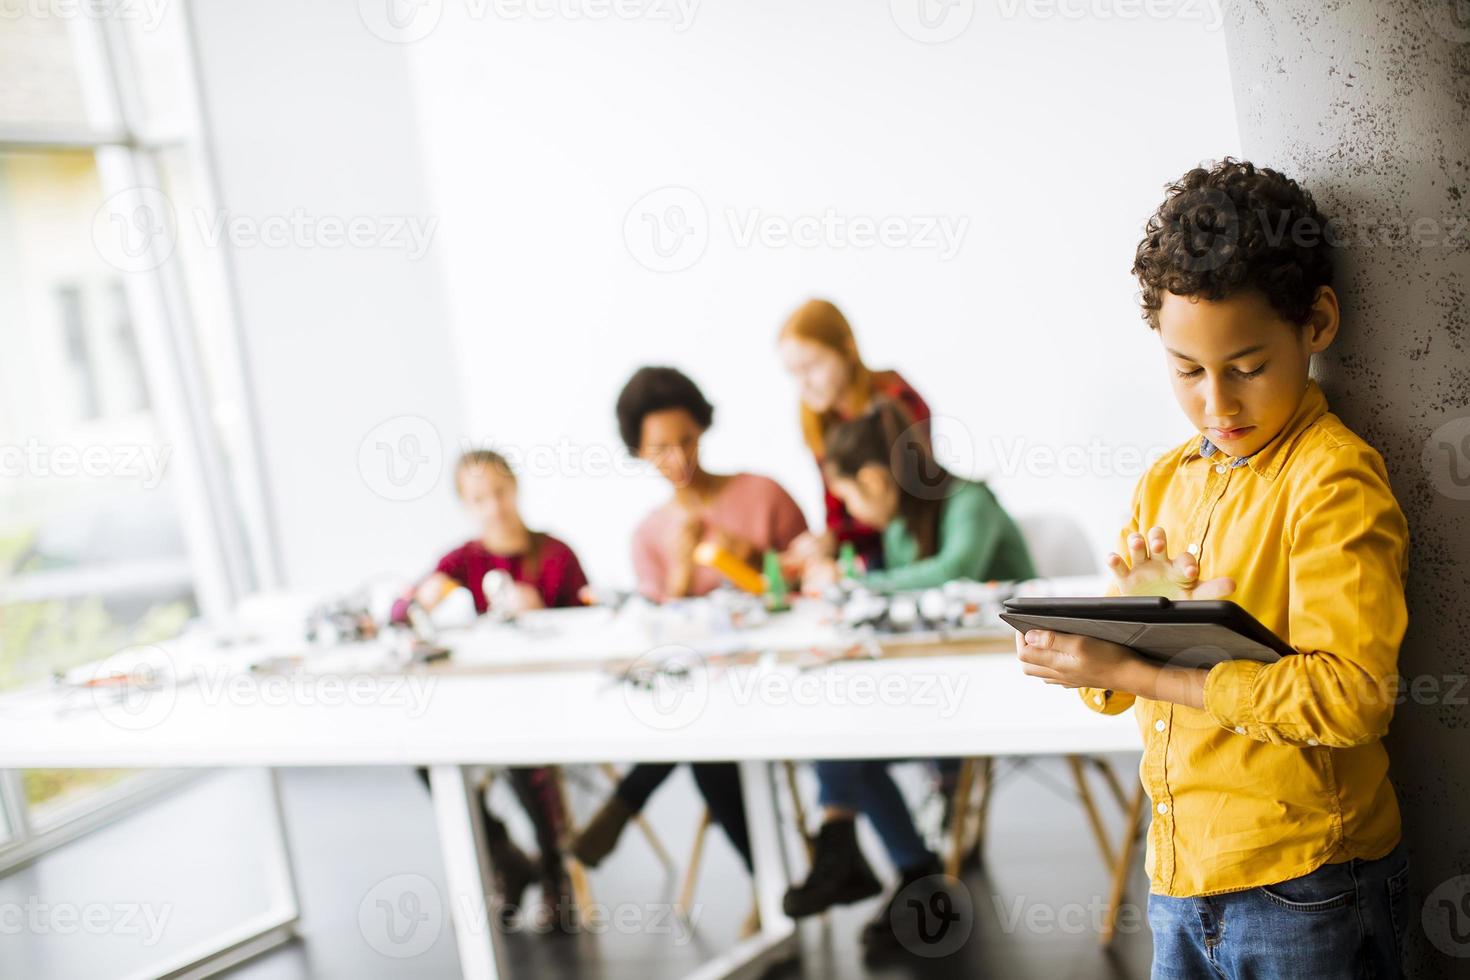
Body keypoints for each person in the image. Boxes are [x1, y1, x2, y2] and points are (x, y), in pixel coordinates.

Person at [1015, 159, 1410, 979]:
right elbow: (1108, 688)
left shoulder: (1332, 480)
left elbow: (1352, 699)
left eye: (1248, 366)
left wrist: (1138, 666)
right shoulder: (1167, 480)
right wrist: (1122, 615)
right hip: (1179, 876)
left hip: (1305, 885)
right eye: (1187, 371)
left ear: (1318, 323)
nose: (1218, 406)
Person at [784, 403, 1035, 957]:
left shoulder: (970, 501)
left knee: (849, 740)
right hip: (938, 684)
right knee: (845, 732)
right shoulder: (900, 528)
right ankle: (908, 879)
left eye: (848, 495)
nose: (849, 510)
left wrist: (858, 588)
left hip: (1013, 684)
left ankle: (872, 862)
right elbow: (908, 595)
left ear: (873, 479)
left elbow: (952, 573)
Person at [570, 367, 807, 899]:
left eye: (687, 440)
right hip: (706, 695)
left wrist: (755, 558)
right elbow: (658, 636)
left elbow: (818, 583)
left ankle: (627, 806)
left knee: (695, 734)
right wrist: (679, 576)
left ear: (703, 429)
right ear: (637, 451)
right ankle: (778, 891)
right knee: (702, 743)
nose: (678, 459)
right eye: (659, 448)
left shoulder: (762, 494)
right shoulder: (650, 534)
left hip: (776, 680)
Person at [395, 449, 589, 931]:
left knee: (521, 749)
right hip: (491, 698)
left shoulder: (556, 554)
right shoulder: (465, 560)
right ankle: (504, 853)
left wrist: (545, 613)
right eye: (478, 498)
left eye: (499, 492)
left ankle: (553, 869)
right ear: (466, 504)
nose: (493, 506)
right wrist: (418, 604)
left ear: (515, 489)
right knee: (424, 752)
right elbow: (405, 613)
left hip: (551, 696)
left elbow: (596, 623)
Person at [777, 298, 931, 572]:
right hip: (862, 554)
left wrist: (838, 542)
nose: (803, 384)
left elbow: (910, 499)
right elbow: (836, 505)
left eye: (811, 366)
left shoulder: (896, 400)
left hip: (913, 543)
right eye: (794, 373)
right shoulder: (816, 417)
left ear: (848, 350)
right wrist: (827, 543)